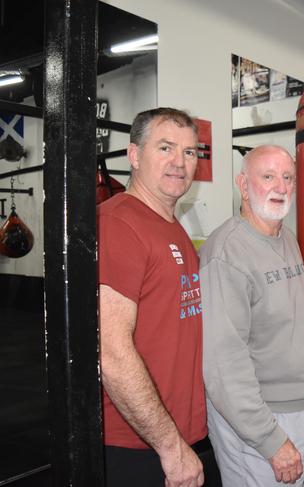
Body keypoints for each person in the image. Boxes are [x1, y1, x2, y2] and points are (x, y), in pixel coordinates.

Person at [98, 107, 210, 487]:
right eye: (165, 148)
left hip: (177, 433)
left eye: (190, 152)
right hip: (138, 444)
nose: (179, 162)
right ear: (133, 155)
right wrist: (170, 448)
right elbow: (111, 353)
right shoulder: (119, 224)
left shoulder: (172, 226)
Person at [200, 145, 304, 486]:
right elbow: (223, 365)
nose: (280, 187)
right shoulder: (227, 253)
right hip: (261, 419)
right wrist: (270, 438)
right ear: (243, 185)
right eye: (267, 177)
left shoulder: (287, 238)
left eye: (287, 178)